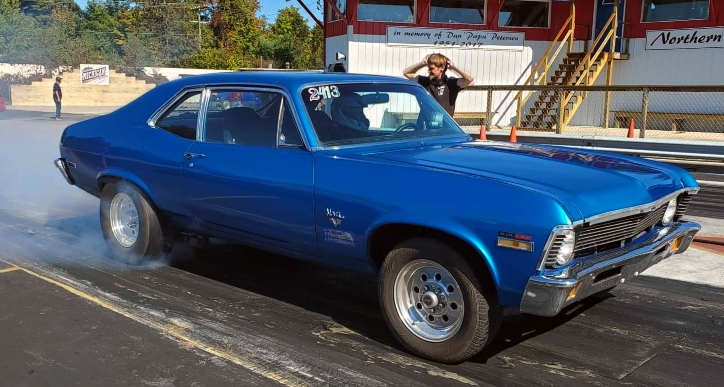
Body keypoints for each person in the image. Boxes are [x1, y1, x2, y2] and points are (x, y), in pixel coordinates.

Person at [403, 53, 474, 116]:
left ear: (442, 68)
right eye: (428, 68)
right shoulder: (424, 81)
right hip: (425, 126)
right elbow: (407, 73)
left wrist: (454, 68)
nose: (429, 71)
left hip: (444, 126)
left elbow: (469, 79)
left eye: (431, 68)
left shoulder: (451, 83)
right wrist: (421, 64)